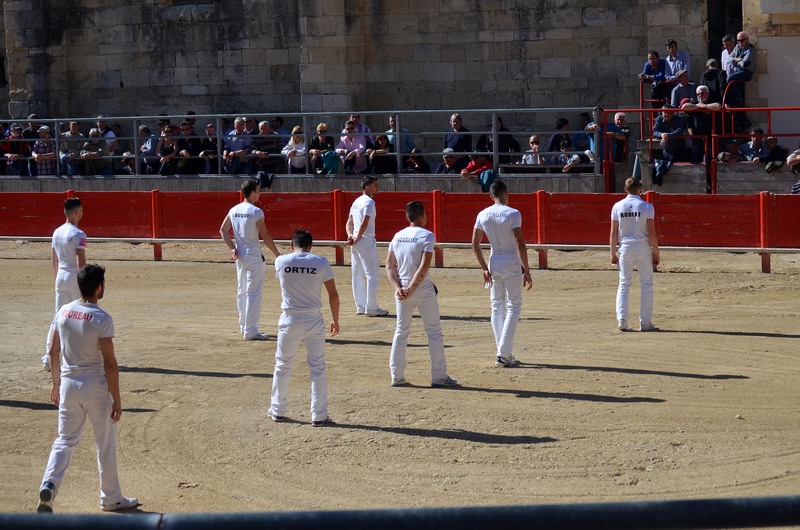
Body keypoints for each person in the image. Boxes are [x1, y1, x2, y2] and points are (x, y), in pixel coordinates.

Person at [37, 264, 139, 513]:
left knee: (64, 440)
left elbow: (53, 351)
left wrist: (56, 384)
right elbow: (110, 363)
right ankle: (111, 497)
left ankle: (49, 484)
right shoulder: (101, 318)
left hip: (68, 384)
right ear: (99, 287)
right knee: (105, 443)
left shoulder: (63, 311)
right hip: (95, 385)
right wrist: (117, 399)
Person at [267, 230, 340, 426]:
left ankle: (277, 410)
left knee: (282, 365)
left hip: (289, 319)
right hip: (313, 319)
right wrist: (335, 319)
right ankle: (319, 415)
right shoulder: (321, 262)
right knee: (317, 367)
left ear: (292, 245)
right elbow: (333, 294)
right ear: (310, 246)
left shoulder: (281, 261)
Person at [386, 201, 458, 388]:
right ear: (423, 216)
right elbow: (423, 267)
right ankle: (439, 376)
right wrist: (411, 288)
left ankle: (396, 376)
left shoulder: (398, 236)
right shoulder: (427, 235)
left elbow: (389, 266)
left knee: (401, 331)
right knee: (434, 332)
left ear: (407, 216)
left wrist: (398, 288)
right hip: (422, 289)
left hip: (402, 290)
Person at [471, 180, 532, 367]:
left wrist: (484, 268)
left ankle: (503, 352)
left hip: (494, 261)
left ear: (491, 196)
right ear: (506, 193)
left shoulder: (483, 214)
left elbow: (475, 244)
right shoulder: (513, 213)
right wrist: (527, 269)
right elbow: (520, 243)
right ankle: (503, 354)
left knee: (497, 306)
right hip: (511, 261)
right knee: (513, 306)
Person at [219, 178, 280, 341]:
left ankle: (244, 326)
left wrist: (232, 248)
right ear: (252, 192)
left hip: (240, 254)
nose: (260, 194)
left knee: (242, 291)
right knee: (253, 293)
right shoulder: (256, 212)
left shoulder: (234, 210)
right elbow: (265, 235)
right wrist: (276, 253)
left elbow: (223, 230)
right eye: (258, 191)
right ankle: (251, 330)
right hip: (253, 254)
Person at [42, 197, 87, 371]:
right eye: (81, 211)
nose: (82, 214)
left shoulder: (56, 232)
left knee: (58, 316)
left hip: (60, 275)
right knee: (81, 314)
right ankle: (79, 356)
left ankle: (48, 358)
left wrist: (58, 278)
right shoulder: (79, 234)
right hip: (74, 276)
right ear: (76, 212)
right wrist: (84, 283)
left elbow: (54, 259)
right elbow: (80, 260)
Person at [610, 178, 660, 332]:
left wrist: (612, 253)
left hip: (625, 247)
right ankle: (645, 322)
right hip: (643, 248)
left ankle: (622, 320)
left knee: (624, 284)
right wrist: (656, 252)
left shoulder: (617, 206)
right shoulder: (647, 206)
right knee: (646, 285)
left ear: (625, 189)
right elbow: (651, 233)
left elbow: (613, 233)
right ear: (640, 189)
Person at [346, 176, 388, 316]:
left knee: (357, 274)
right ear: (367, 187)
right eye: (375, 185)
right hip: (365, 240)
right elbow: (364, 223)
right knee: (372, 274)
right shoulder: (369, 202)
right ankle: (371, 307)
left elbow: (349, 222)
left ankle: (361, 306)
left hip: (355, 240)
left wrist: (350, 236)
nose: (377, 188)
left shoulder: (356, 201)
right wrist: (357, 237)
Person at [681, 85, 722, 163]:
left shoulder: (712, 101)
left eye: (702, 93)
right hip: (697, 136)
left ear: (708, 94)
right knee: (697, 159)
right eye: (698, 94)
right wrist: (698, 106)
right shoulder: (695, 102)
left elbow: (718, 106)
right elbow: (684, 107)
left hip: (710, 135)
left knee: (711, 159)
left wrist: (705, 106)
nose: (700, 95)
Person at [652, 104, 690, 185]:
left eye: (669, 112)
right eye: (664, 112)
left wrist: (668, 136)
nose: (666, 114)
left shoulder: (678, 119)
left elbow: (679, 131)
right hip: (667, 150)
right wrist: (661, 134)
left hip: (679, 149)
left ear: (673, 113)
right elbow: (654, 131)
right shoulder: (659, 119)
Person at [726, 31, 756, 107]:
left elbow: (745, 63)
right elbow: (728, 59)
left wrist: (735, 62)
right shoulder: (737, 47)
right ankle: (736, 102)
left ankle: (739, 100)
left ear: (747, 39)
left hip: (746, 72)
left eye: (742, 40)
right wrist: (737, 60)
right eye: (738, 41)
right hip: (737, 71)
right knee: (735, 86)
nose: (740, 42)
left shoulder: (750, 49)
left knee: (729, 78)